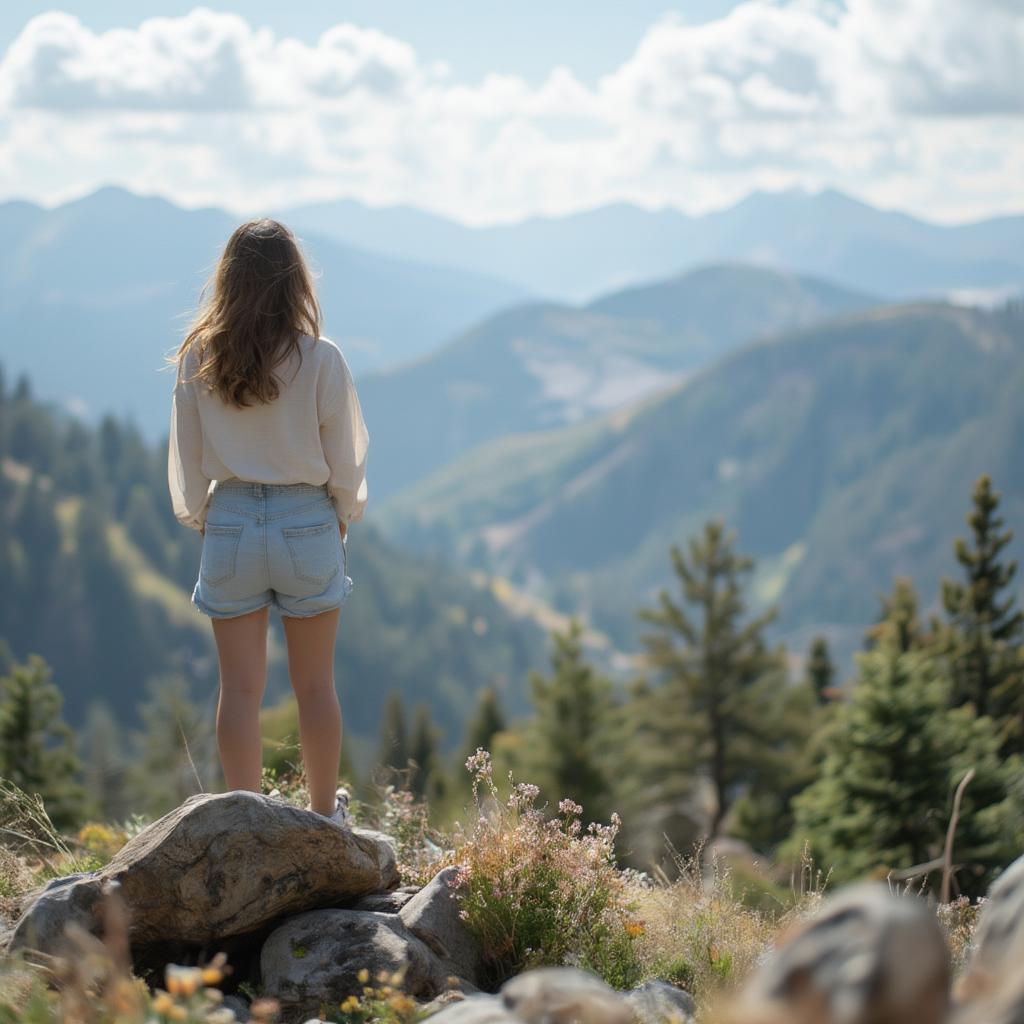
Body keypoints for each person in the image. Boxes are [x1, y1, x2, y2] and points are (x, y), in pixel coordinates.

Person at [166, 218, 368, 826]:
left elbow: (188, 455)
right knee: (315, 687)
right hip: (306, 520)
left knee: (240, 690)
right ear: (294, 281)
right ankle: (324, 816)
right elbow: (347, 456)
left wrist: (205, 516)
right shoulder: (321, 358)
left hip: (229, 522)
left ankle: (248, 821)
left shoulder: (200, 356)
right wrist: (342, 514)